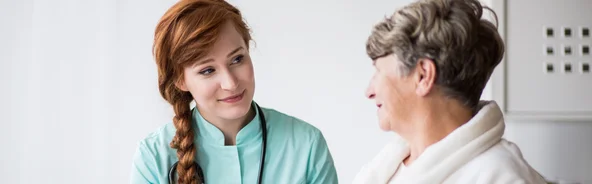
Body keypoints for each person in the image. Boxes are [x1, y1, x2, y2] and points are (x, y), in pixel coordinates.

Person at [129, 0, 338, 183]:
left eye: (237, 59)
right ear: (180, 81)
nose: (230, 83)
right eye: (208, 70)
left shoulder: (306, 144)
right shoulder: (153, 157)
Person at [352, 0, 547, 183]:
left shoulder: (500, 177)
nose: (369, 92)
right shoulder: (389, 166)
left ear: (423, 76)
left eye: (378, 71)